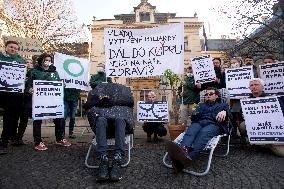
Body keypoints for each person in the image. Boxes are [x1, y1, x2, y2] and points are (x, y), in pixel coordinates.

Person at [166, 87, 233, 172]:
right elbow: (194, 118)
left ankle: (186, 158)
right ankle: (182, 153)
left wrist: (225, 112)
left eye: (211, 94)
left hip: (213, 124)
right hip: (199, 122)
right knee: (190, 132)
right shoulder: (200, 105)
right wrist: (194, 113)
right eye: (206, 94)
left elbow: (231, 116)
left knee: (203, 134)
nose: (208, 95)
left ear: (216, 96)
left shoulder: (223, 105)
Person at [85, 83, 134, 182]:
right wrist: (100, 102)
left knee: (120, 120)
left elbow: (130, 103)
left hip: (119, 128)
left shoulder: (123, 103)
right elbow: (87, 106)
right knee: (101, 120)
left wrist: (113, 102)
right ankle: (103, 159)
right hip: (104, 130)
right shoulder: (99, 102)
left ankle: (117, 158)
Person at [27, 53, 71, 151]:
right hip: (39, 101)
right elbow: (28, 85)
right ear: (41, 60)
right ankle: (37, 142)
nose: (47, 62)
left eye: (49, 60)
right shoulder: (34, 71)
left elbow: (58, 83)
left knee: (59, 118)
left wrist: (62, 85)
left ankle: (59, 138)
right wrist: (29, 89)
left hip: (53, 101)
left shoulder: (55, 72)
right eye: (46, 60)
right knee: (37, 120)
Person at [239, 78, 284, 156]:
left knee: (281, 153)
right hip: (256, 127)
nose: (254, 87)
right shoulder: (246, 100)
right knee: (243, 125)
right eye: (251, 85)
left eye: (256, 84)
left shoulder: (273, 99)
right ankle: (258, 142)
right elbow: (241, 114)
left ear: (262, 87)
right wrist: (243, 115)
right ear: (249, 88)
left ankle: (268, 144)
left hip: (272, 127)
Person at [0, 41, 26, 155]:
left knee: (9, 118)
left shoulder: (21, 61)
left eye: (15, 48)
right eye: (11, 47)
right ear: (6, 48)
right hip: (1, 91)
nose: (13, 49)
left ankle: (4, 142)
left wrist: (24, 78)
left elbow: (24, 75)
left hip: (13, 94)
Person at [14, 59, 34, 145]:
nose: (29, 64)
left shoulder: (34, 74)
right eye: (27, 62)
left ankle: (19, 137)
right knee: (14, 118)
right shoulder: (17, 72)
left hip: (27, 100)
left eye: (30, 62)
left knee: (24, 119)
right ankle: (13, 137)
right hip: (17, 98)